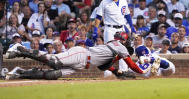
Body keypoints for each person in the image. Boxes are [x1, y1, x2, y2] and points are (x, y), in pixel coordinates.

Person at [5, 32, 145, 80]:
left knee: (52, 75)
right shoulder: (119, 46)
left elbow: (103, 67)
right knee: (53, 61)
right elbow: (131, 64)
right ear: (123, 41)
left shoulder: (114, 51)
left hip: (82, 65)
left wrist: (116, 71)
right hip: (81, 55)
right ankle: (21, 48)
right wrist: (142, 72)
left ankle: (19, 72)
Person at [93, 0, 136, 76]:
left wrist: (131, 26)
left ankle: (124, 71)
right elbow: (98, 17)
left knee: (123, 51)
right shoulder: (104, 2)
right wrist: (95, 29)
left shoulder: (123, 0)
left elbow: (127, 15)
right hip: (110, 29)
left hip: (121, 29)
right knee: (110, 52)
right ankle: (108, 73)